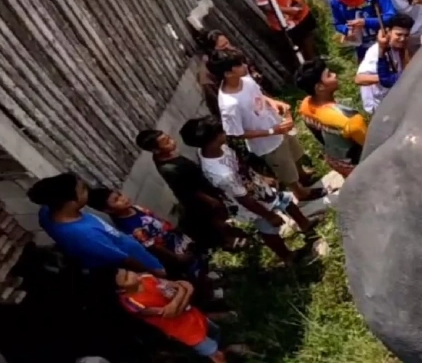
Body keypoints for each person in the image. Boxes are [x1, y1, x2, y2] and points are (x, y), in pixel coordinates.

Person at [180, 116, 321, 264]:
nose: (225, 132)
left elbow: (240, 165)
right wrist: (269, 215)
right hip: (250, 205)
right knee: (268, 229)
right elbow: (244, 199)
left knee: (285, 200)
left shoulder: (215, 149)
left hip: (254, 186)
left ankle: (305, 224)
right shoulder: (222, 174)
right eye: (221, 131)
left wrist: (260, 178)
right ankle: (287, 256)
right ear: (213, 139)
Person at [210, 50, 322, 202]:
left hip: (278, 125)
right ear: (228, 73)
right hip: (267, 143)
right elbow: (236, 133)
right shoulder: (229, 105)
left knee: (294, 154)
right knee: (285, 169)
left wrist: (275, 103)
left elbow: (259, 94)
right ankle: (300, 193)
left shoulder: (245, 78)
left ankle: (303, 176)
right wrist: (270, 131)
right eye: (239, 65)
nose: (245, 66)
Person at [27, 173, 164, 275]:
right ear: (71, 201)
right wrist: (153, 272)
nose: (88, 191)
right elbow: (124, 260)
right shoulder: (85, 235)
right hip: (143, 266)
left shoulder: (47, 211)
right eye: (83, 189)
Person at [135, 129, 247, 251]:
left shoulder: (167, 154)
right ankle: (229, 240)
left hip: (202, 186)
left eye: (168, 138)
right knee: (215, 216)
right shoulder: (169, 169)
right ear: (156, 150)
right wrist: (209, 199)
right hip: (199, 197)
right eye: (166, 142)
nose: (172, 142)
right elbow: (187, 188)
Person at [115, 269, 246, 363]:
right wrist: (185, 292)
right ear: (122, 289)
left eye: (128, 271)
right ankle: (214, 354)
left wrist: (181, 294)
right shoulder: (132, 302)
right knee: (216, 355)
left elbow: (177, 285)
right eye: (127, 278)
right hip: (185, 331)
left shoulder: (145, 277)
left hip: (194, 316)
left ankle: (212, 352)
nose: (132, 274)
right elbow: (172, 311)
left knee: (215, 331)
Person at [87, 187, 208, 281]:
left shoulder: (135, 207)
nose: (123, 199)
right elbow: (153, 246)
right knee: (194, 270)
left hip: (176, 239)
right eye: (116, 200)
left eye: (119, 195)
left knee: (201, 257)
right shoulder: (131, 227)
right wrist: (176, 258)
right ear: (108, 210)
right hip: (171, 251)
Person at [296, 59, 367, 177]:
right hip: (355, 164)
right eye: (329, 75)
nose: (335, 75)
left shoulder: (305, 107)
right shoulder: (349, 120)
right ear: (320, 87)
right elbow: (371, 146)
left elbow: (319, 136)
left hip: (334, 159)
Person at [325, 0, 396, 60]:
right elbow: (338, 24)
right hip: (363, 49)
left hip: (386, 41)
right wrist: (347, 30)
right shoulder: (337, 1)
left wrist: (366, 22)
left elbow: (391, 16)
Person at [354, 13, 414, 113]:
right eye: (398, 34)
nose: (403, 39)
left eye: (406, 35)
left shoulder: (401, 49)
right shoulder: (375, 52)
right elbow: (359, 79)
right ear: (388, 32)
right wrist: (387, 78)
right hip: (379, 107)